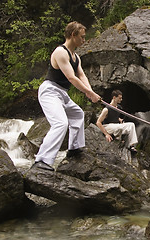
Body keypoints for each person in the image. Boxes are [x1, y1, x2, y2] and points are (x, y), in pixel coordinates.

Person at [32, 21, 101, 171]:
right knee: (61, 123)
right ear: (72, 35)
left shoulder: (76, 57)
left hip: (61, 93)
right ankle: (41, 161)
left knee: (77, 114)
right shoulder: (60, 52)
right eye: (82, 37)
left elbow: (81, 75)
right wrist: (89, 93)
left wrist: (92, 93)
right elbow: (72, 78)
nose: (84, 40)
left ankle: (74, 149)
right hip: (49, 91)